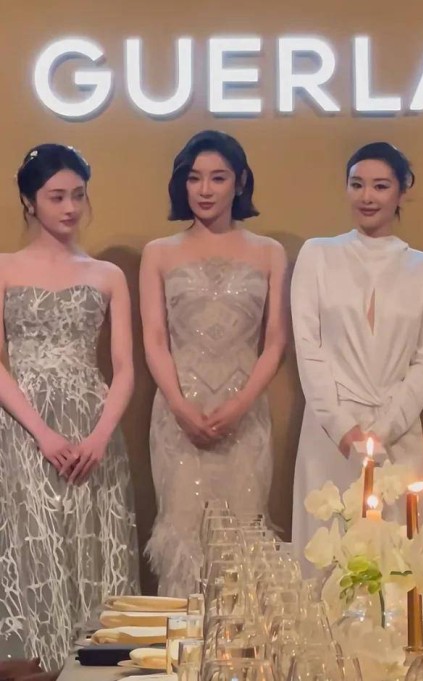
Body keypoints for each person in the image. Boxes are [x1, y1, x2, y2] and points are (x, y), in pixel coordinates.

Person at [0, 144, 139, 671]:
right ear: (29, 201)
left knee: (92, 548)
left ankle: (97, 669)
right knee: (36, 551)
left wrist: (100, 436)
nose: (70, 207)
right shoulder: (4, 267)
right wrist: (41, 433)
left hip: (92, 428)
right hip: (25, 429)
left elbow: (124, 368)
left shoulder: (107, 274)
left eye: (78, 195)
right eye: (56, 196)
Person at [141, 130, 288, 596]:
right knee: (183, 540)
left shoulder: (269, 252)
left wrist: (242, 404)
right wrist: (180, 406)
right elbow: (154, 339)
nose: (204, 190)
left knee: (243, 546)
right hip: (178, 418)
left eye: (218, 178)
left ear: (240, 182)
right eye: (194, 178)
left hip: (244, 418)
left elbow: (275, 341)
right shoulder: (159, 252)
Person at [291, 142, 423, 564]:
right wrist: (344, 429)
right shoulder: (318, 254)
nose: (367, 196)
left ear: (402, 190)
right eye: (357, 184)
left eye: (380, 186)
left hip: (398, 433)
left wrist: (385, 429)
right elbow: (308, 347)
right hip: (330, 435)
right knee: (326, 559)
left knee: (397, 564)